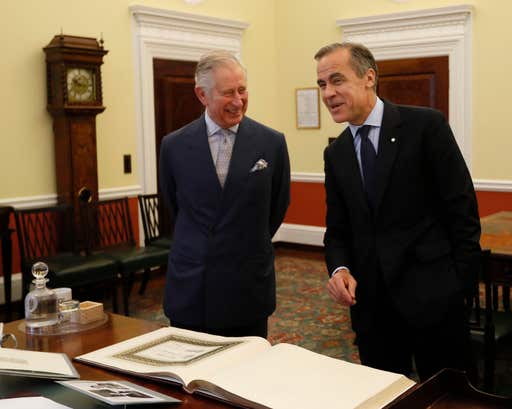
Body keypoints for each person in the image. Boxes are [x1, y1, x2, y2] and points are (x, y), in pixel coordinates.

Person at [316, 42, 481, 381]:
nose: (328, 93)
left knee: (450, 395)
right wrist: (339, 269)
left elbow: (461, 208)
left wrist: (459, 284)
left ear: (369, 78)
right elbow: (338, 228)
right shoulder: (337, 153)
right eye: (322, 84)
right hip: (372, 308)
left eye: (337, 80)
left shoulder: (424, 126)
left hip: (434, 298)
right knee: (385, 396)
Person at [159, 50, 290, 338]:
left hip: (247, 286)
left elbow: (277, 206)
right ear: (202, 95)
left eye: (242, 90)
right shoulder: (174, 146)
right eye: (228, 93)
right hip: (192, 287)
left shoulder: (272, 143)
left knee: (246, 376)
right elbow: (174, 207)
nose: (238, 100)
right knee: (189, 375)